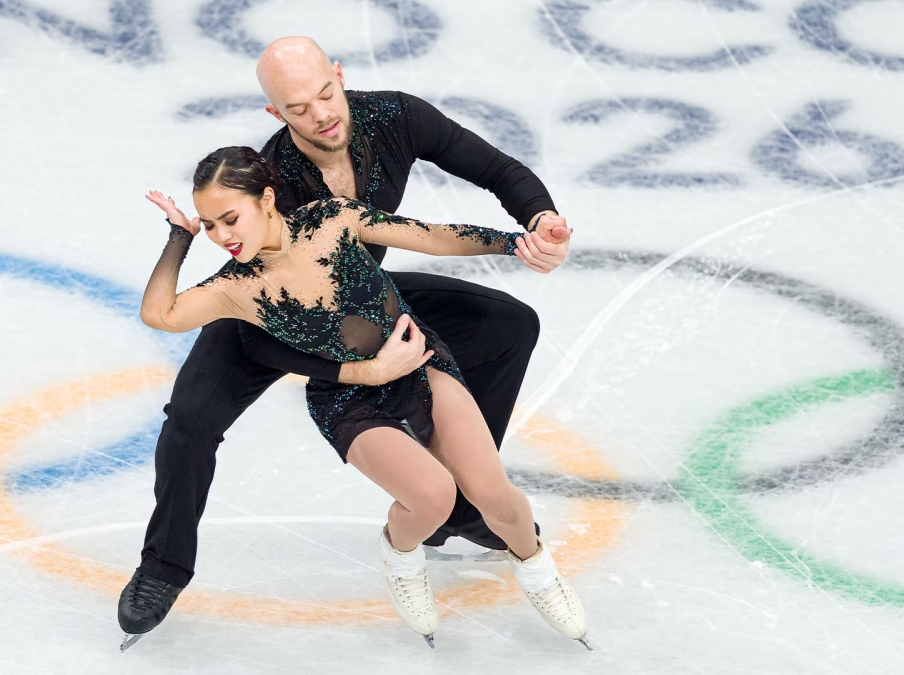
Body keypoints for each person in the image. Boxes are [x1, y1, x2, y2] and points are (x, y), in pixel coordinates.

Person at [119, 36, 574, 643]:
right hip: (263, 313)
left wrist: (536, 223)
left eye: (326, 95)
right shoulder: (271, 183)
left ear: (339, 76)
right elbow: (261, 339)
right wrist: (358, 373)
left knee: (508, 325)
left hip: (358, 296)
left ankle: (464, 502)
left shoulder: (395, 117)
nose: (321, 115)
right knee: (190, 420)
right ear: (275, 114)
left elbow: (493, 170)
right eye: (298, 109)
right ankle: (163, 567)